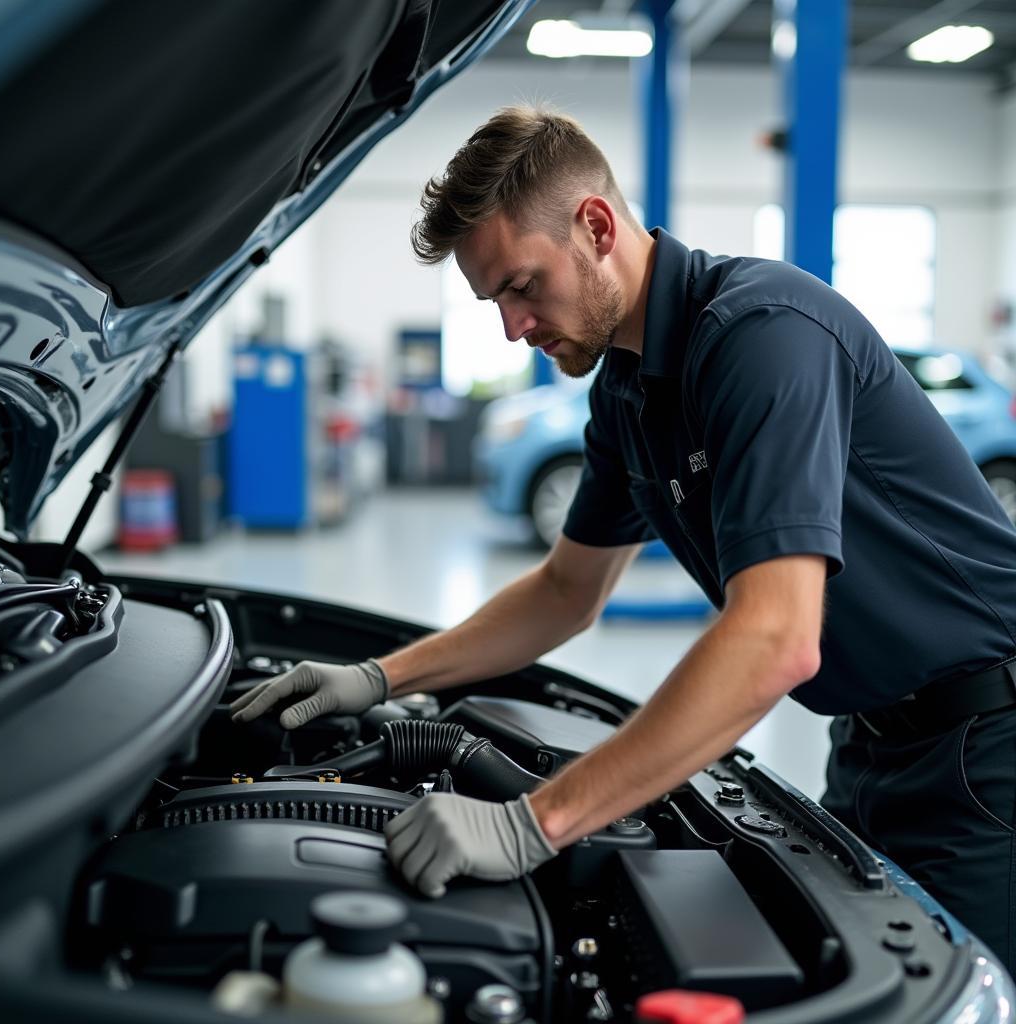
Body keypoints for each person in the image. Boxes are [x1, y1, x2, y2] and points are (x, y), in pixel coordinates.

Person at [232, 107, 1016, 972]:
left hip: (988, 753)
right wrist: (378, 676)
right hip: (874, 744)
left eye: (522, 286)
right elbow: (566, 591)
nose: (513, 329)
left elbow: (774, 639)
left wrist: (533, 824)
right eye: (494, 301)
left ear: (596, 226)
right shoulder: (627, 391)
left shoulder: (764, 336)